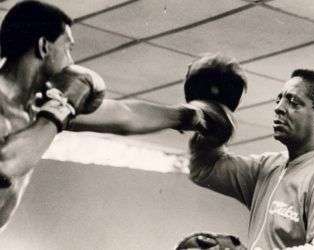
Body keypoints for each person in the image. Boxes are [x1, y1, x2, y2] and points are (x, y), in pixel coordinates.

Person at [0, 1, 233, 232]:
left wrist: (189, 116)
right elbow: (8, 163)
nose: (71, 62)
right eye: (67, 48)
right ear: (44, 46)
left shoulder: (41, 108)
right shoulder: (37, 109)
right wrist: (61, 107)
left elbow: (125, 116)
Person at [187, 67, 314, 249]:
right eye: (278, 99)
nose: (279, 108)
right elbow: (204, 168)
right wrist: (211, 118)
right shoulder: (268, 167)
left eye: (293, 102)